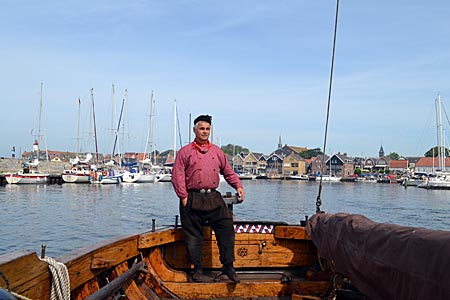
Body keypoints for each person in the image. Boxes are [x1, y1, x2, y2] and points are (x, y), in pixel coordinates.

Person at [172, 114, 245, 283]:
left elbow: (228, 172)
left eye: (207, 129)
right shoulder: (185, 152)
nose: (205, 132)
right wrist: (183, 197)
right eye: (201, 129)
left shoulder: (217, 152)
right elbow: (177, 176)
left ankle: (228, 267)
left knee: (226, 227)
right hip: (192, 198)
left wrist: (238, 186)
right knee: (193, 236)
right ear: (194, 130)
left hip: (213, 197)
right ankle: (197, 271)